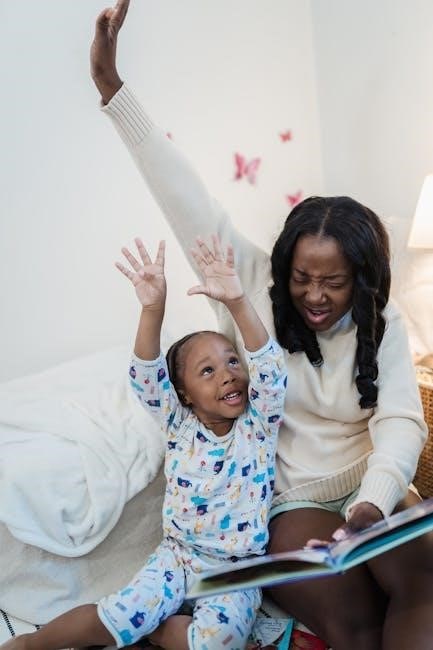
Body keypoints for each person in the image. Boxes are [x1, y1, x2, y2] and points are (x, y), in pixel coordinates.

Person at [85, 2, 433, 649]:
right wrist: (112, 88)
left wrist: (372, 503)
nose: (314, 296)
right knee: (354, 624)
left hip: (370, 488)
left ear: (362, 279)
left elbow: (400, 422)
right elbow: (186, 198)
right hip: (291, 502)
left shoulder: (380, 320)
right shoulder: (246, 284)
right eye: (301, 278)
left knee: (421, 589)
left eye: (333, 283)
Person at [0, 235, 286, 650]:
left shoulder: (258, 426)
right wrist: (153, 309)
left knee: (218, 643)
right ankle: (29, 643)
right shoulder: (179, 425)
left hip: (237, 569)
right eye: (207, 371)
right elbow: (146, 375)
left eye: (231, 362)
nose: (227, 374)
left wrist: (238, 302)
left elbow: (270, 369)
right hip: (178, 556)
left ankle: (158, 628)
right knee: (116, 617)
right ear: (184, 393)